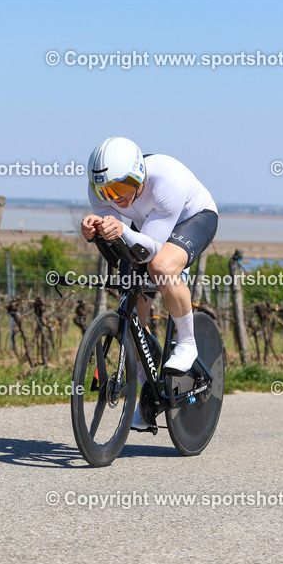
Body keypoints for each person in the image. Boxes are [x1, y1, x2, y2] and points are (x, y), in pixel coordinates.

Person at [81, 136, 218, 430]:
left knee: (161, 267)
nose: (114, 197)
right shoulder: (101, 188)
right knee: (129, 312)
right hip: (149, 224)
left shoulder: (167, 182)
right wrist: (95, 231)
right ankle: (149, 394)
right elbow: (116, 238)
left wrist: (121, 230)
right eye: (106, 191)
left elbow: (152, 250)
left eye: (121, 187)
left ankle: (187, 343)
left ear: (139, 175)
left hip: (192, 219)